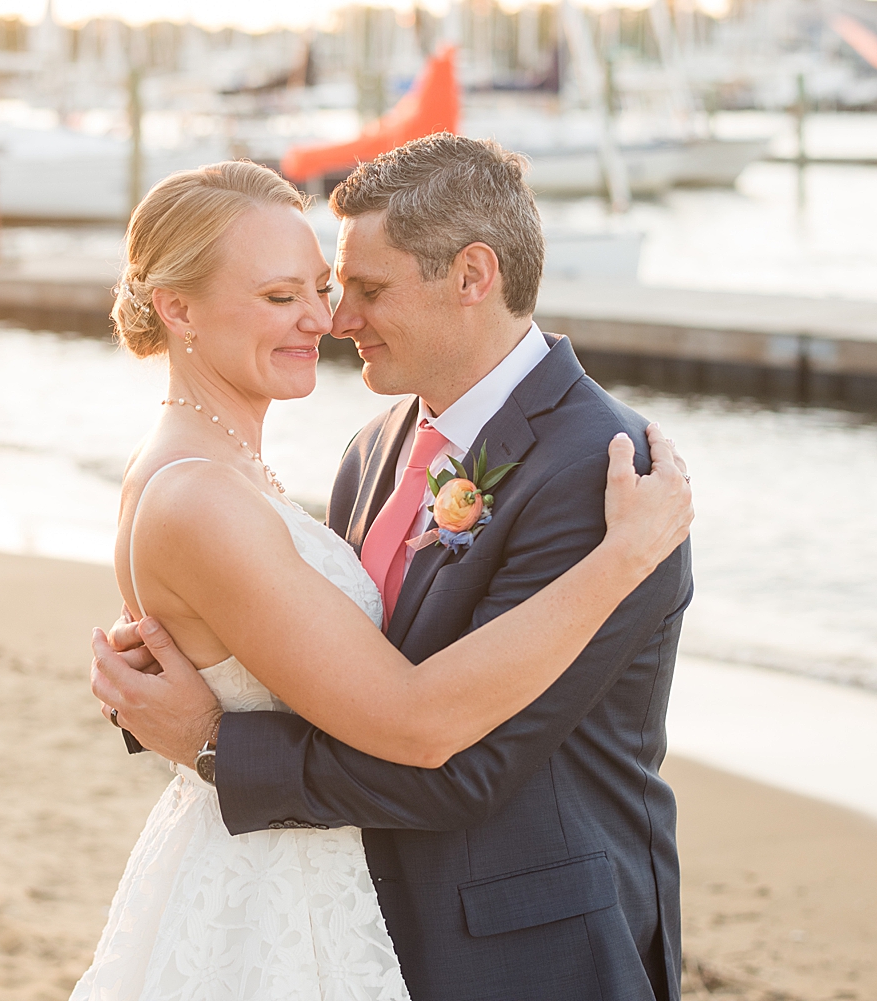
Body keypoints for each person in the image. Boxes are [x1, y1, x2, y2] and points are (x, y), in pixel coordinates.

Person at [80, 145, 693, 1001]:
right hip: (351, 921)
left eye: (357, 290)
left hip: (528, 950)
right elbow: (315, 668)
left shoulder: (606, 476)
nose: (335, 320)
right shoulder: (373, 450)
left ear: (472, 274)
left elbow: (464, 765)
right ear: (179, 309)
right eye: (295, 293)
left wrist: (212, 743)